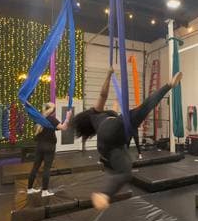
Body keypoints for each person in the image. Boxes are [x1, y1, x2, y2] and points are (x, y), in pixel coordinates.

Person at [71, 67, 182, 210]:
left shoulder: (96, 118)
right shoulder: (95, 112)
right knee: (143, 109)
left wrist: (117, 99)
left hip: (108, 144)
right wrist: (108, 74)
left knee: (126, 173)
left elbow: (114, 108)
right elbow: (103, 94)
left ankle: (104, 195)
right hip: (112, 131)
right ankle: (169, 85)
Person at [27, 103, 72, 197]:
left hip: (39, 146)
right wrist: (68, 117)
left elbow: (54, 128)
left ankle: (30, 189)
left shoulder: (39, 118)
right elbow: (64, 127)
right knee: (46, 168)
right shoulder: (52, 119)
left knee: (35, 167)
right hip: (49, 147)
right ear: (53, 110)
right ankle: (44, 191)